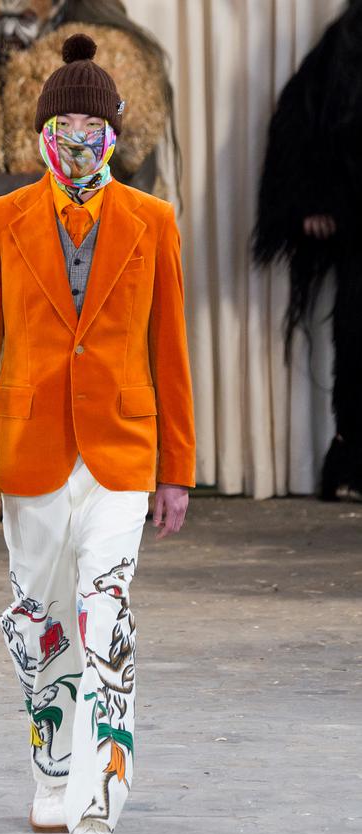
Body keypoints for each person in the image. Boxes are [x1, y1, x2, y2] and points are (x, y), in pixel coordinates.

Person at [0, 32, 195, 834]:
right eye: (65, 125)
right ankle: (51, 766)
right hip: (29, 454)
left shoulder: (154, 222)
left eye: (93, 126)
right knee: (41, 622)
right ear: (43, 131)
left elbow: (171, 351)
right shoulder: (2, 220)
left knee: (106, 618)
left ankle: (96, 812)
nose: (79, 139)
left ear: (115, 131)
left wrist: (178, 469)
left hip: (121, 454)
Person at [253, 0, 362, 500]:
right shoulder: (348, 42)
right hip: (356, 223)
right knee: (358, 332)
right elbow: (302, 114)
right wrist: (313, 199)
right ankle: (350, 457)